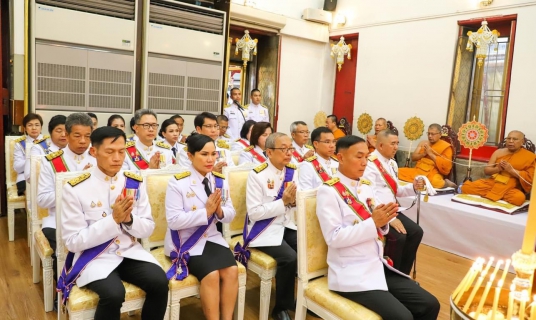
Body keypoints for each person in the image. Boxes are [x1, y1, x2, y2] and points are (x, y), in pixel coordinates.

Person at [316, 136, 440, 320]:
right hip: (351, 272)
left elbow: (377, 224)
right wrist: (373, 223)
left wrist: (382, 222)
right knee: (402, 317)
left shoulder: (365, 187)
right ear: (340, 158)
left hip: (376, 265)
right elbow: (333, 238)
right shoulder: (328, 191)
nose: (364, 162)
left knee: (430, 305)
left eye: (366, 156)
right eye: (359, 157)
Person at [59, 126, 168, 320]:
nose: (117, 158)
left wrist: (129, 219)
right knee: (113, 294)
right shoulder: (75, 188)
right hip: (94, 258)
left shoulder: (133, 182)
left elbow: (148, 228)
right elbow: (73, 241)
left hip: (129, 252)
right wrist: (113, 220)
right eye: (110, 152)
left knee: (159, 282)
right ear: (94, 152)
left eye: (121, 151)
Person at [165, 134, 238, 320]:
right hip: (185, 241)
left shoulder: (219, 180)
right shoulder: (178, 182)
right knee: (212, 274)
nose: (210, 159)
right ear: (190, 156)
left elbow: (230, 214)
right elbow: (173, 221)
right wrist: (205, 212)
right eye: (204, 154)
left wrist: (220, 211)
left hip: (211, 237)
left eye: (214, 154)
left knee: (232, 270)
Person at [238, 132, 298, 320]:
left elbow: (298, 200)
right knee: (289, 258)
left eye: (290, 148)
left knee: (306, 250)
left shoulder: (293, 170)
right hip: (263, 229)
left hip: (286, 223)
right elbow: (254, 212)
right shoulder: (257, 175)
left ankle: (298, 298)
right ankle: (280, 308)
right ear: (269, 152)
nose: (288, 153)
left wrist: (295, 202)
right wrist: (284, 202)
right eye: (284, 149)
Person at [37, 113, 96, 282]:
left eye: (87, 136)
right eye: (77, 136)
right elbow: (42, 199)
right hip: (59, 219)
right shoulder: (51, 162)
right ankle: (64, 289)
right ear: (67, 135)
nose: (83, 141)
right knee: (65, 250)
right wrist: (72, 184)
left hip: (92, 217)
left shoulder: (98, 158)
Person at [363, 129, 424, 275]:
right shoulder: (370, 164)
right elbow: (368, 195)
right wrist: (389, 219)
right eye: (392, 144)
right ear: (381, 145)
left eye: (397, 143)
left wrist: (413, 188)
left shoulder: (392, 164)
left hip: (392, 211)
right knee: (400, 237)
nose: (396, 147)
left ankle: (403, 274)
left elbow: (396, 190)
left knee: (416, 232)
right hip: (377, 211)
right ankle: (390, 276)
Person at [461, 130, 536, 205]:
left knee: (519, 198)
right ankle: (498, 196)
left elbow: (530, 179)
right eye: (508, 138)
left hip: (511, 187)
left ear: (522, 142)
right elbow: (487, 171)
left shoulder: (530, 157)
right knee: (466, 187)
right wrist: (498, 169)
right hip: (493, 183)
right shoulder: (498, 152)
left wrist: (511, 170)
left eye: (515, 139)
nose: (511, 141)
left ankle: (493, 196)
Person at [399, 123, 456, 189]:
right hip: (418, 171)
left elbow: (446, 167)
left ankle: (446, 183)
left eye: (432, 134)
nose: (430, 136)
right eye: (428, 133)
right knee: (397, 172)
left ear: (440, 134)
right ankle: (421, 182)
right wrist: (424, 154)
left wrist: (430, 154)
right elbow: (413, 157)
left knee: (436, 182)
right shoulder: (423, 143)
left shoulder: (446, 147)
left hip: (432, 172)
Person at [24, 115, 68, 182]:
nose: (63, 135)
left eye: (67, 132)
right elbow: (29, 176)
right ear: (50, 132)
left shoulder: (75, 148)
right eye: (59, 131)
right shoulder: (38, 148)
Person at [14, 113, 45, 195]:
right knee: (31, 195)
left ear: (41, 127)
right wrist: (31, 160)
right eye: (30, 125)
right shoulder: (20, 144)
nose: (34, 128)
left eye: (37, 125)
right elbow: (18, 168)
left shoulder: (48, 141)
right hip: (24, 177)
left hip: (45, 174)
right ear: (25, 128)